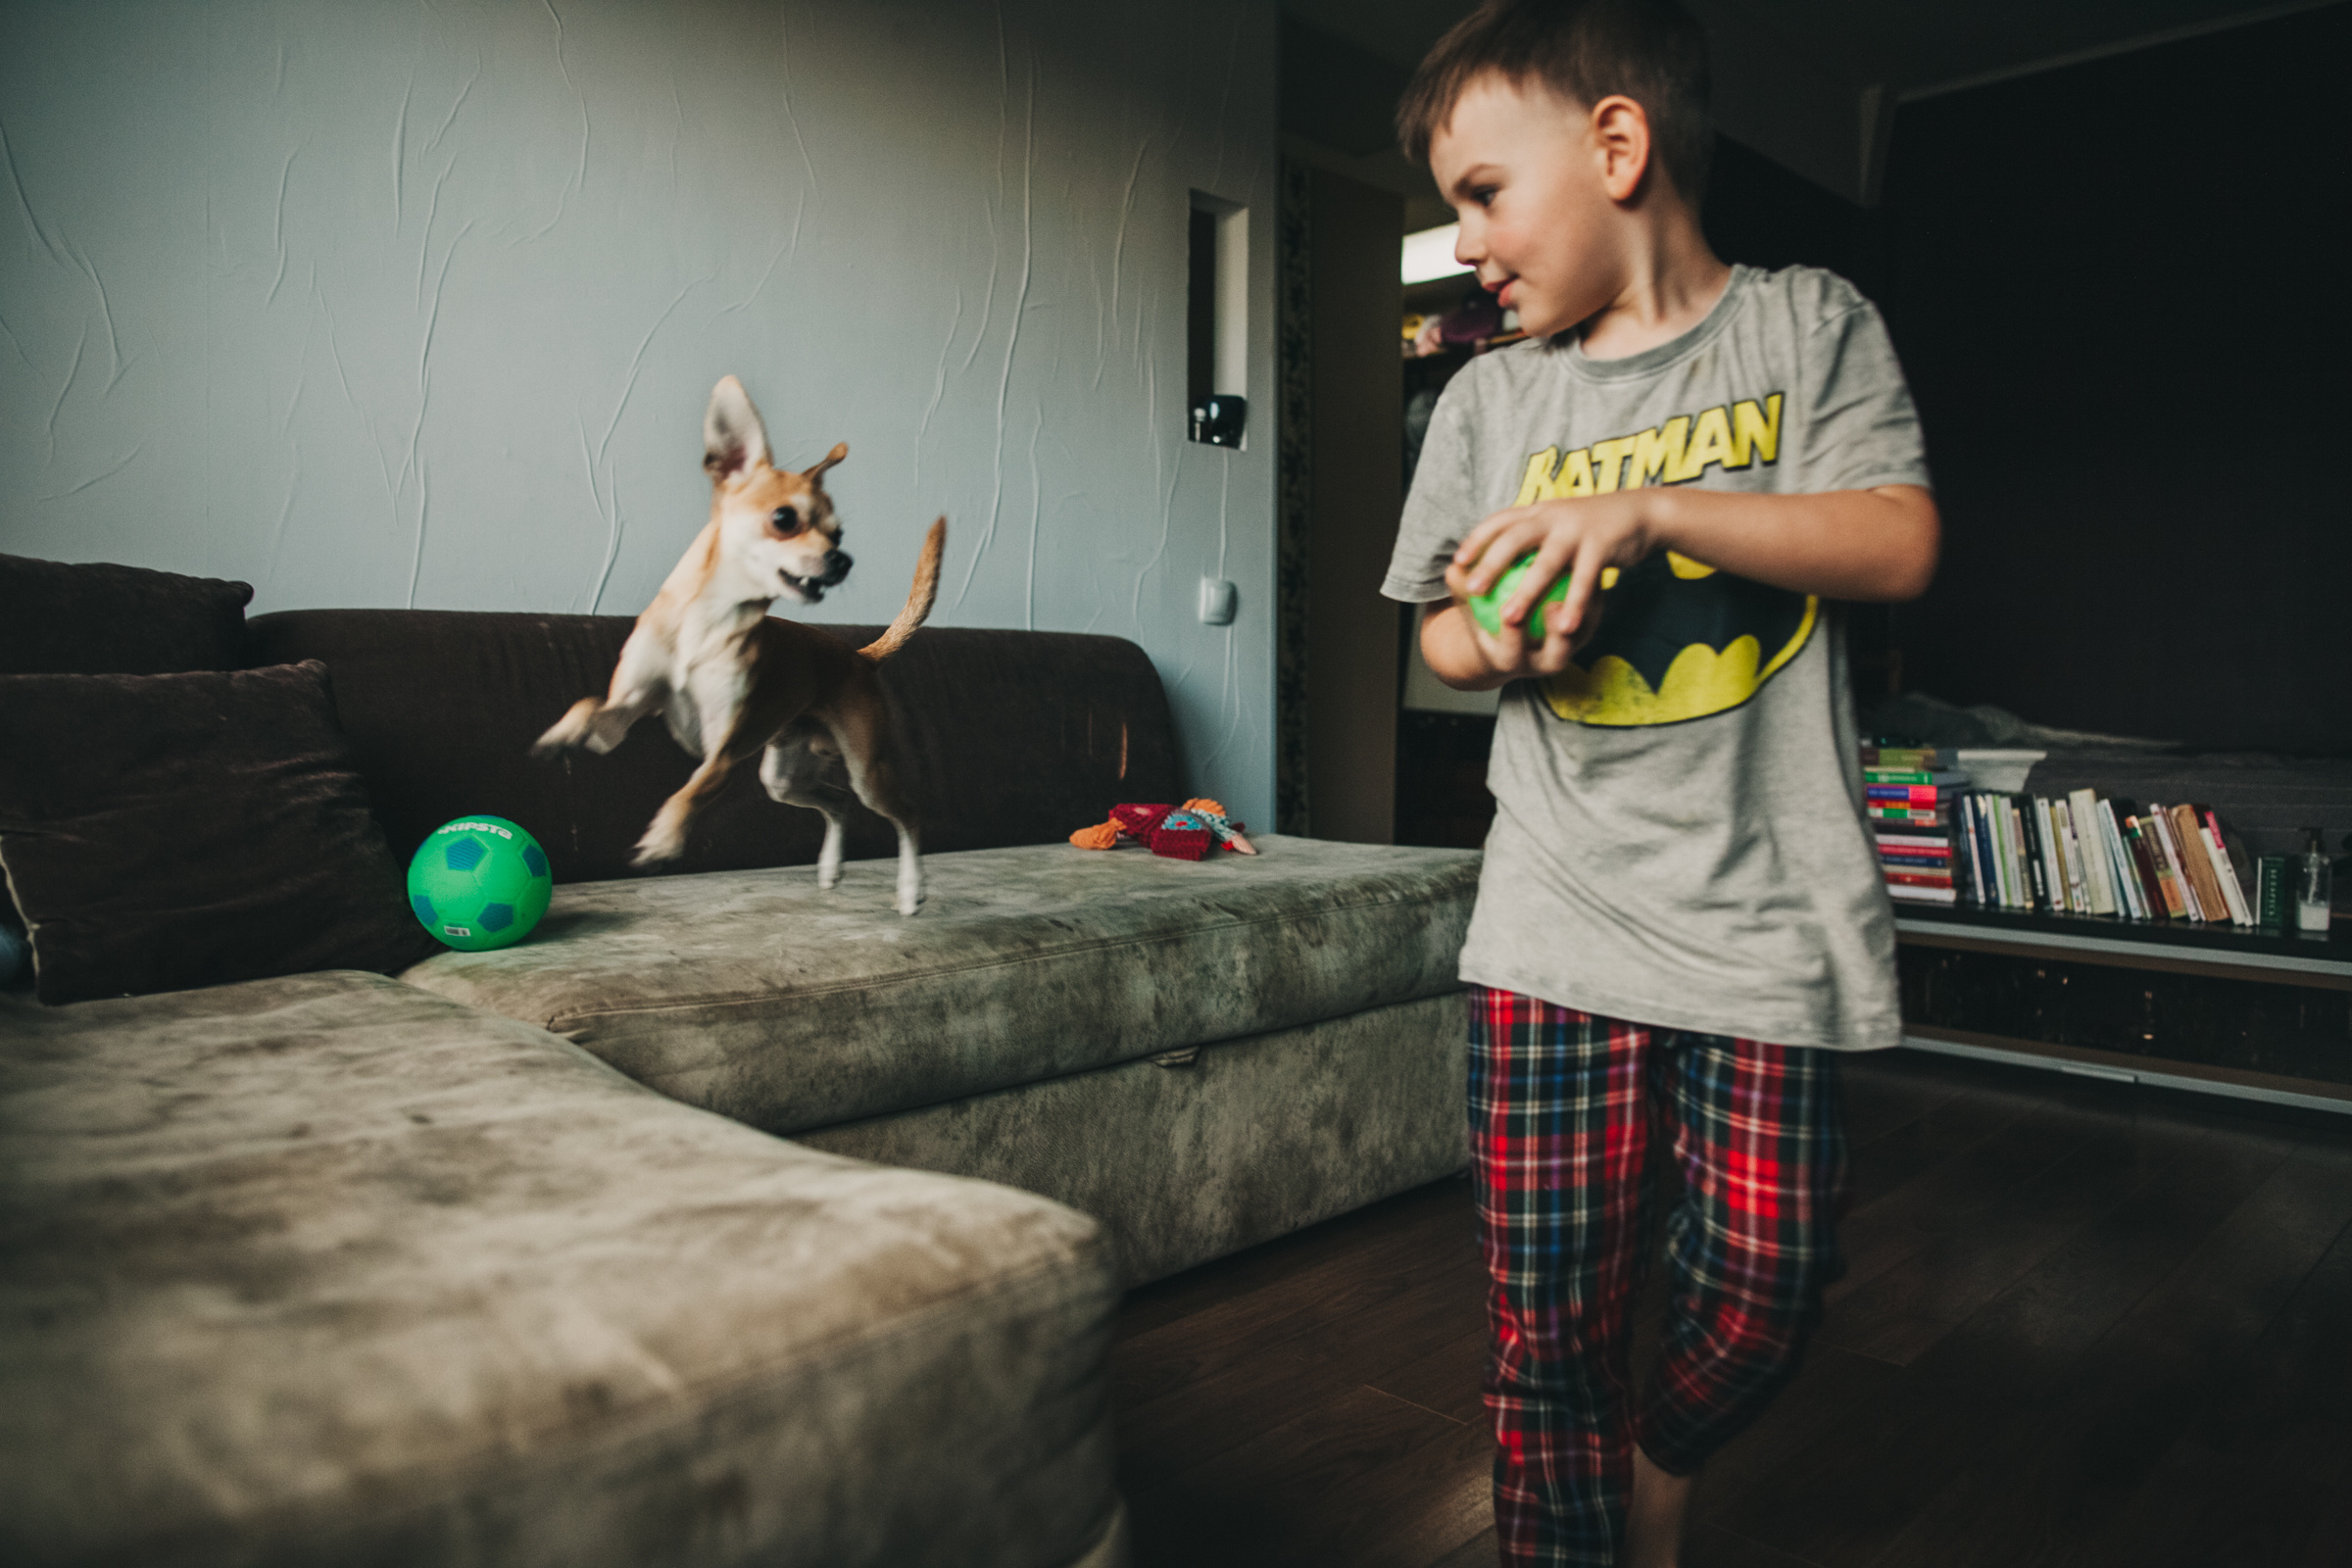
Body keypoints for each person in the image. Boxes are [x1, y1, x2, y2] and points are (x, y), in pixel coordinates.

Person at [1380, 3, 1939, 1565]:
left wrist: (1651, 510)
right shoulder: (1491, 400)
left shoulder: (1807, 328)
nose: (1464, 236)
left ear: (1617, 147)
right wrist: (1500, 635)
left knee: (1766, 1292)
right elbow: (1436, 635)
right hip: (1551, 925)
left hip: (1768, 923)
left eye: (1484, 192)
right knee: (1545, 1329)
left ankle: (1662, 1458)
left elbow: (1895, 538)